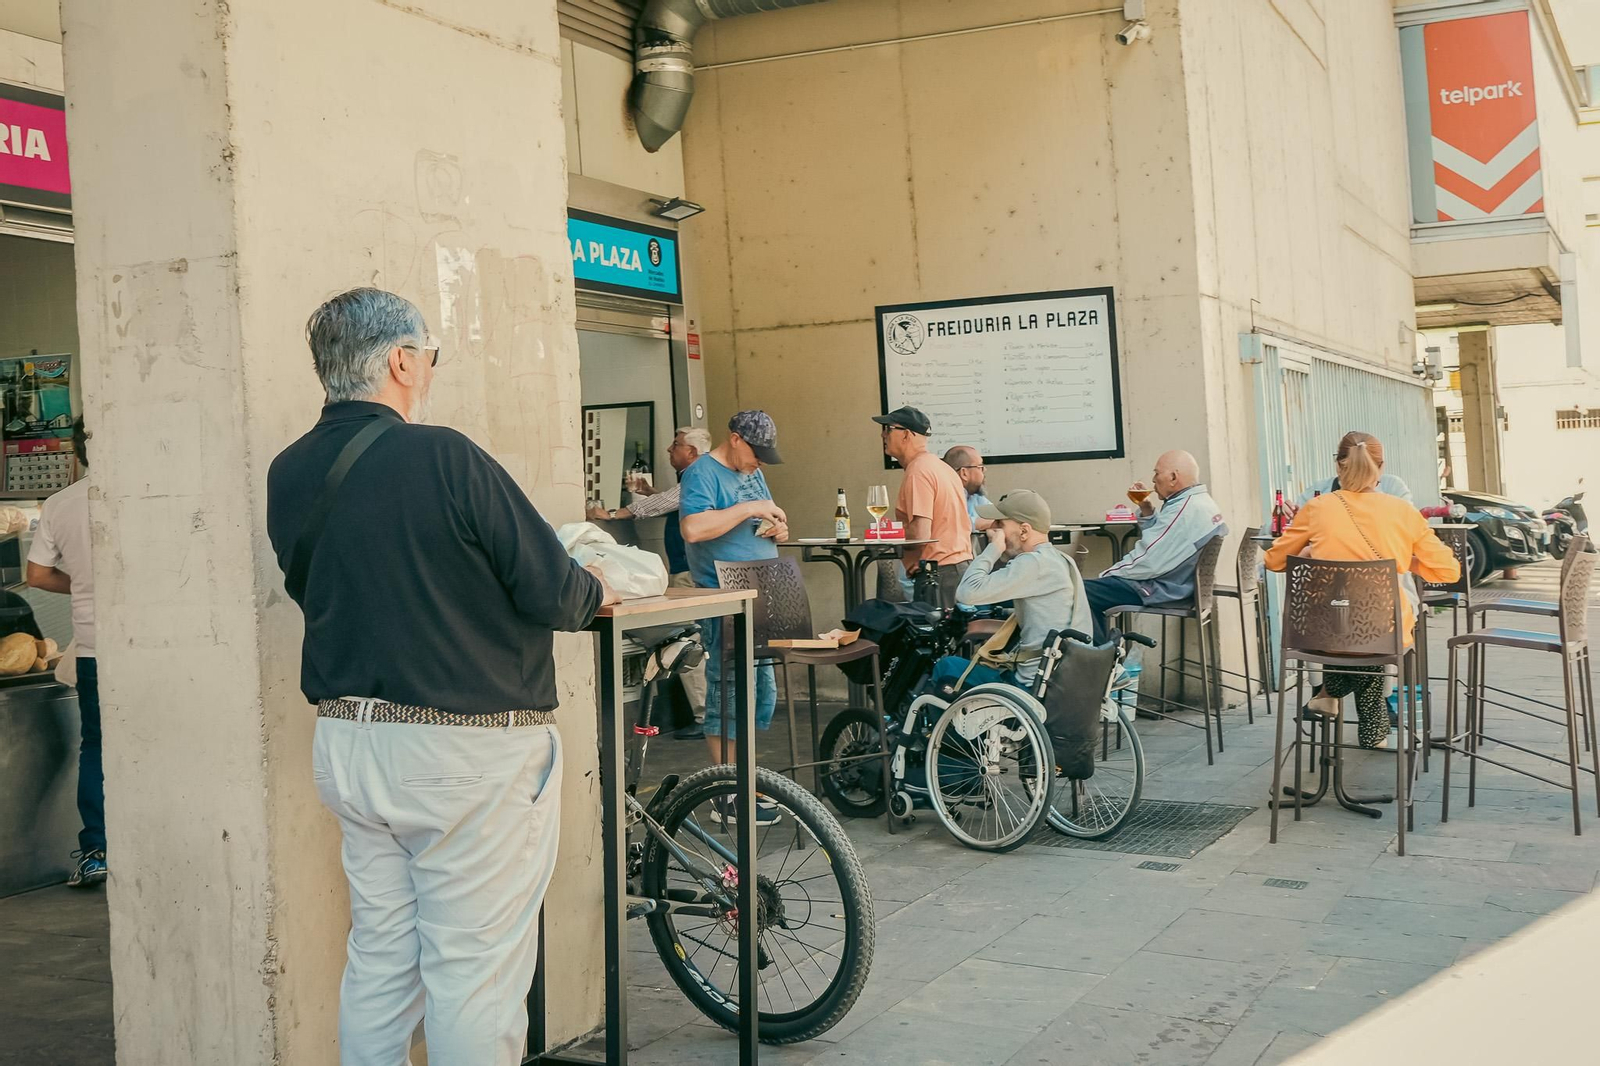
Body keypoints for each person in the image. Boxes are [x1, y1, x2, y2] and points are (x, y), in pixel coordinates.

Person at [265, 288, 614, 1066]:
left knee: (383, 959)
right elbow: (556, 592)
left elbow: (319, 585)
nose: (428, 370)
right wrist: (597, 586)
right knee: (474, 976)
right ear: (399, 360)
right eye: (429, 355)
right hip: (464, 756)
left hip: (349, 745)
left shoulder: (289, 471)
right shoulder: (445, 455)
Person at [1265, 431, 1459, 748]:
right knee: (1369, 634)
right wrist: (1403, 561)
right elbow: (1448, 570)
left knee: (1347, 628)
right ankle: (1370, 731)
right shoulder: (1402, 512)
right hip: (1384, 634)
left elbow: (1273, 560)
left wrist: (1311, 554)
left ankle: (1328, 695)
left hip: (1320, 634)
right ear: (1380, 469)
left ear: (1338, 467)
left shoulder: (1316, 508)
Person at [679, 410, 788, 821]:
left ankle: (745, 783)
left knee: (760, 692)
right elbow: (693, 528)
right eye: (756, 453)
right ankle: (726, 793)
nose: (759, 462)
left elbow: (764, 514)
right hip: (723, 596)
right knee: (727, 693)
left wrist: (778, 528)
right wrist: (750, 509)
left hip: (761, 589)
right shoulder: (702, 473)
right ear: (736, 439)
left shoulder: (752, 473)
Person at [588, 426, 712, 738]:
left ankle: (703, 716)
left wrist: (612, 514)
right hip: (695, 570)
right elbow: (672, 502)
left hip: (691, 572)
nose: (670, 450)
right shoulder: (704, 477)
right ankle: (706, 713)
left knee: (688, 639)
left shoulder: (700, 474)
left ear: (692, 453)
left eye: (676, 445)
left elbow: (666, 503)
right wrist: (651, 493)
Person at [27, 417, 102, 889]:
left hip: (95, 646)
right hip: (157, 648)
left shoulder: (61, 503)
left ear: (77, 452)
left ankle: (97, 849)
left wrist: (89, 587)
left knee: (96, 746)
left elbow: (36, 576)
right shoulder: (152, 499)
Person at [928, 490, 1091, 692]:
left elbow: (967, 593)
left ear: (1024, 530)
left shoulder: (1033, 563)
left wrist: (993, 549)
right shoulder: (1060, 560)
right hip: (1061, 679)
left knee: (947, 666)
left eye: (1000, 524)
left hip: (1030, 685)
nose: (993, 529)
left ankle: (938, 724)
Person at [1083, 449, 1228, 642]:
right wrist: (1147, 510)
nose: (1153, 480)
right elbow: (1165, 541)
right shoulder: (1197, 502)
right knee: (1093, 591)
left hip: (1165, 588)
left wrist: (1107, 576)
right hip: (1181, 585)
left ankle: (1100, 662)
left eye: (1156, 473)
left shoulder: (1185, 510)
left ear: (1173, 477)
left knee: (1082, 592)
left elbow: (1148, 560)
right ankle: (1105, 657)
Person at [875, 406, 973, 607]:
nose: (883, 434)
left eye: (888, 428)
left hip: (938, 576)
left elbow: (921, 535)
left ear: (907, 435)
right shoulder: (941, 467)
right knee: (958, 637)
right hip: (958, 569)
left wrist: (888, 534)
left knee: (936, 637)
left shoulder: (918, 472)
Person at [943, 444, 994, 530]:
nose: (984, 470)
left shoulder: (975, 496)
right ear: (964, 473)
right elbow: (958, 524)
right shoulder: (945, 496)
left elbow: (995, 515)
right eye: (980, 467)